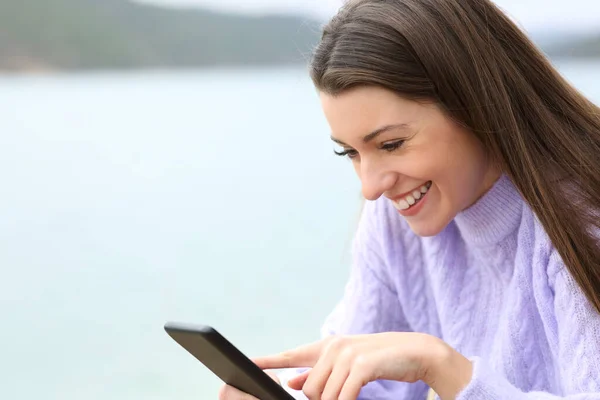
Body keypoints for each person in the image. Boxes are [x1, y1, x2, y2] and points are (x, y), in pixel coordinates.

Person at [219, 0, 600, 399]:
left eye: (392, 144)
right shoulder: (394, 218)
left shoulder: (583, 217)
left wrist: (442, 368)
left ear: (475, 104)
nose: (371, 186)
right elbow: (358, 375)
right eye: (349, 152)